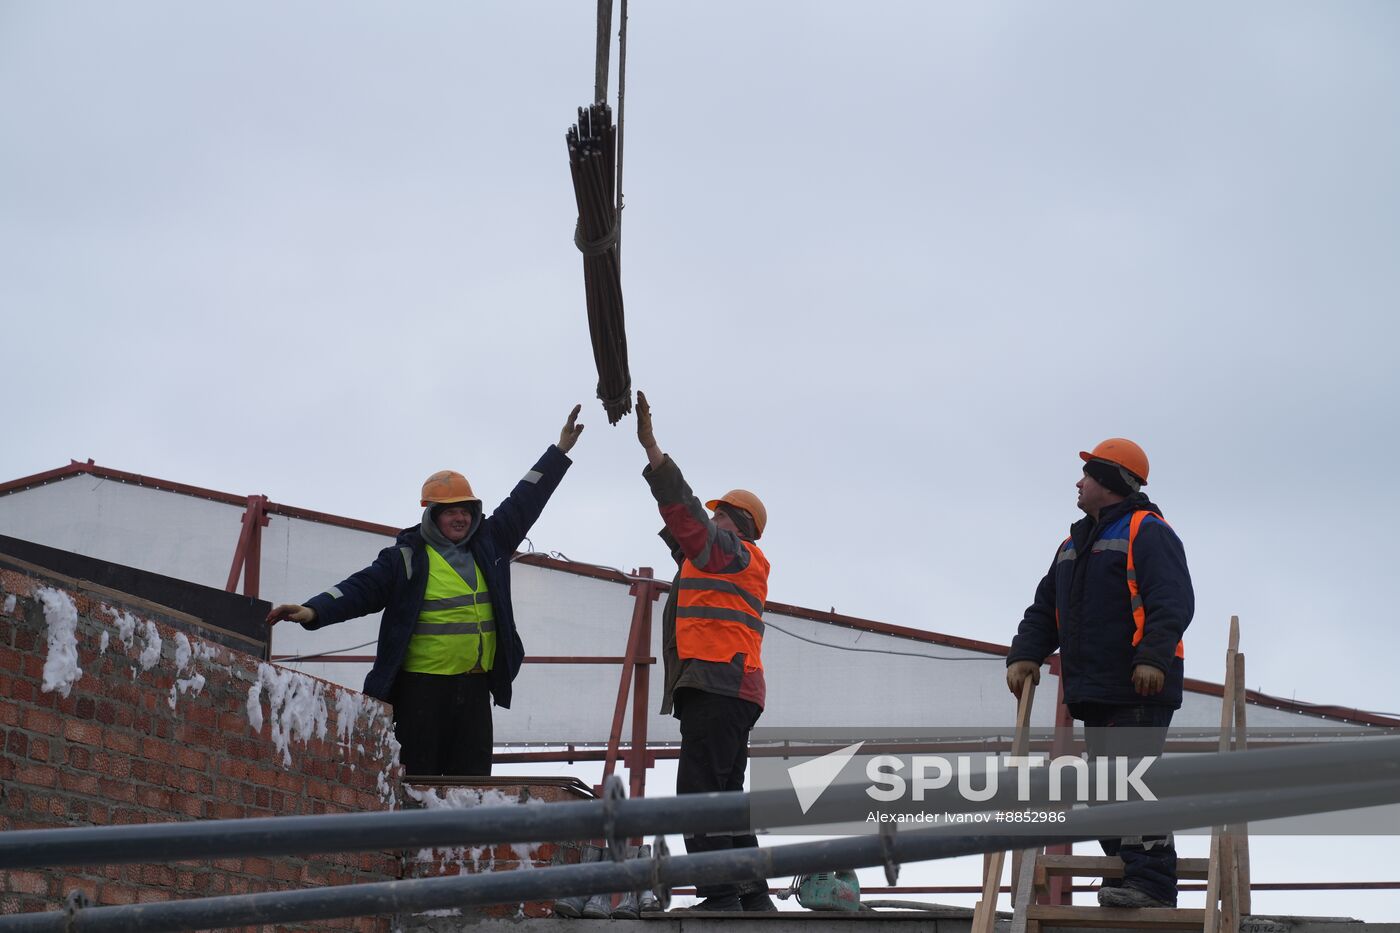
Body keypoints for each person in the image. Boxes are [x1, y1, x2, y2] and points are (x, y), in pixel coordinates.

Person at [266, 405, 584, 777]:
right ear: (432, 514)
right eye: (450, 511)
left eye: (466, 509)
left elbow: (526, 499)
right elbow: (361, 588)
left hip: (475, 690)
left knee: (473, 786)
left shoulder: (490, 543)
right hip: (422, 693)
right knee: (419, 781)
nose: (460, 517)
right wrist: (314, 610)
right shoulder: (407, 557)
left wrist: (559, 452)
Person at [1005, 438, 1193, 909]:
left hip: (1138, 685)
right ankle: (1139, 877)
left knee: (1130, 783)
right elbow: (1046, 607)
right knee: (1106, 792)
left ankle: (1150, 885)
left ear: (1108, 480)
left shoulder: (1148, 531)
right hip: (1100, 688)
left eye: (1087, 474)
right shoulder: (1073, 543)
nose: (1078, 481)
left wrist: (1153, 657)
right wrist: (1025, 653)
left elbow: (1171, 601)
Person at [635, 391, 775, 913]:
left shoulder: (735, 555)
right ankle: (753, 899)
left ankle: (719, 897)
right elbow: (683, 528)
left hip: (718, 685)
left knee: (698, 797)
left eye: (719, 514)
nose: (709, 519)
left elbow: (689, 519)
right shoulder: (717, 559)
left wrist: (655, 453)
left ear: (736, 523)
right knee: (725, 800)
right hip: (729, 688)